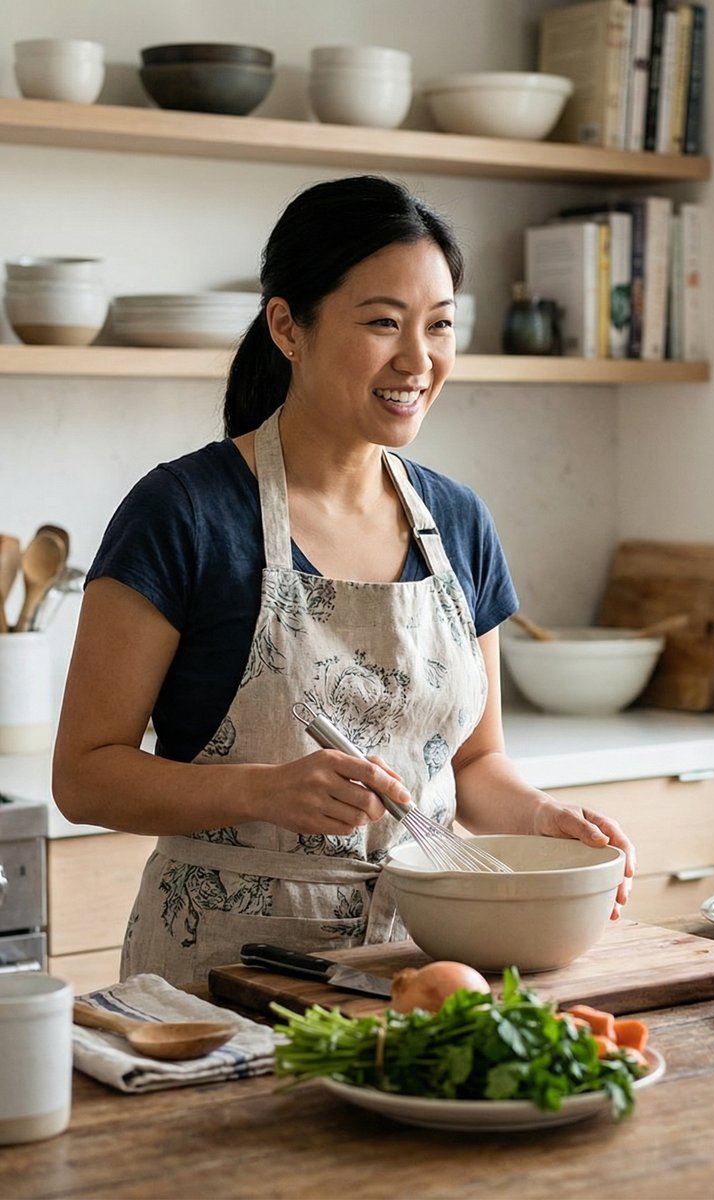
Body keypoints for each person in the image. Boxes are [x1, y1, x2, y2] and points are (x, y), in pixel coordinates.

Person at [52, 175, 635, 988]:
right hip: (218, 978)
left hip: (422, 963)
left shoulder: (458, 523)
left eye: (439, 326)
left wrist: (543, 819)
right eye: (382, 324)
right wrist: (261, 791)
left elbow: (475, 764)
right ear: (288, 327)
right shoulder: (182, 513)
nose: (418, 360)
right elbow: (84, 775)